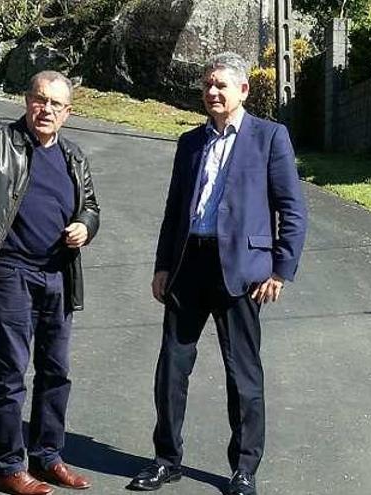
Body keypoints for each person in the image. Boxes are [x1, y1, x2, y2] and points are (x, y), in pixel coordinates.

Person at [127, 53, 307, 495]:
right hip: (190, 267)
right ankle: (166, 460)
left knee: (242, 374)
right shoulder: (190, 142)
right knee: (171, 366)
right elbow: (174, 211)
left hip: (243, 274)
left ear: (243, 90)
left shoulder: (269, 137)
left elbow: (293, 210)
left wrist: (280, 271)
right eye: (208, 85)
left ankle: (244, 469)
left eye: (222, 86)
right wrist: (163, 265)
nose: (212, 93)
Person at [0, 70, 100, 495]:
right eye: (39, 100)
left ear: (67, 113)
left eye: (55, 104)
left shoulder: (73, 157)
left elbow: (92, 207)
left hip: (59, 274)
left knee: (56, 371)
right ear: (27, 101)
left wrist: (85, 225)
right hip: (11, 272)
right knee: (10, 374)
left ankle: (47, 458)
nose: (45, 110)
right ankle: (9, 466)